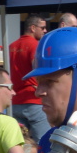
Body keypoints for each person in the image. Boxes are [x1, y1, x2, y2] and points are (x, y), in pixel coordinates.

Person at [9, 14, 52, 142]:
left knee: (21, 143)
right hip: (33, 99)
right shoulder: (35, 45)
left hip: (15, 101)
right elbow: (37, 68)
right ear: (33, 28)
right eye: (42, 28)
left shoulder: (11, 46)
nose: (45, 31)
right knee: (44, 142)